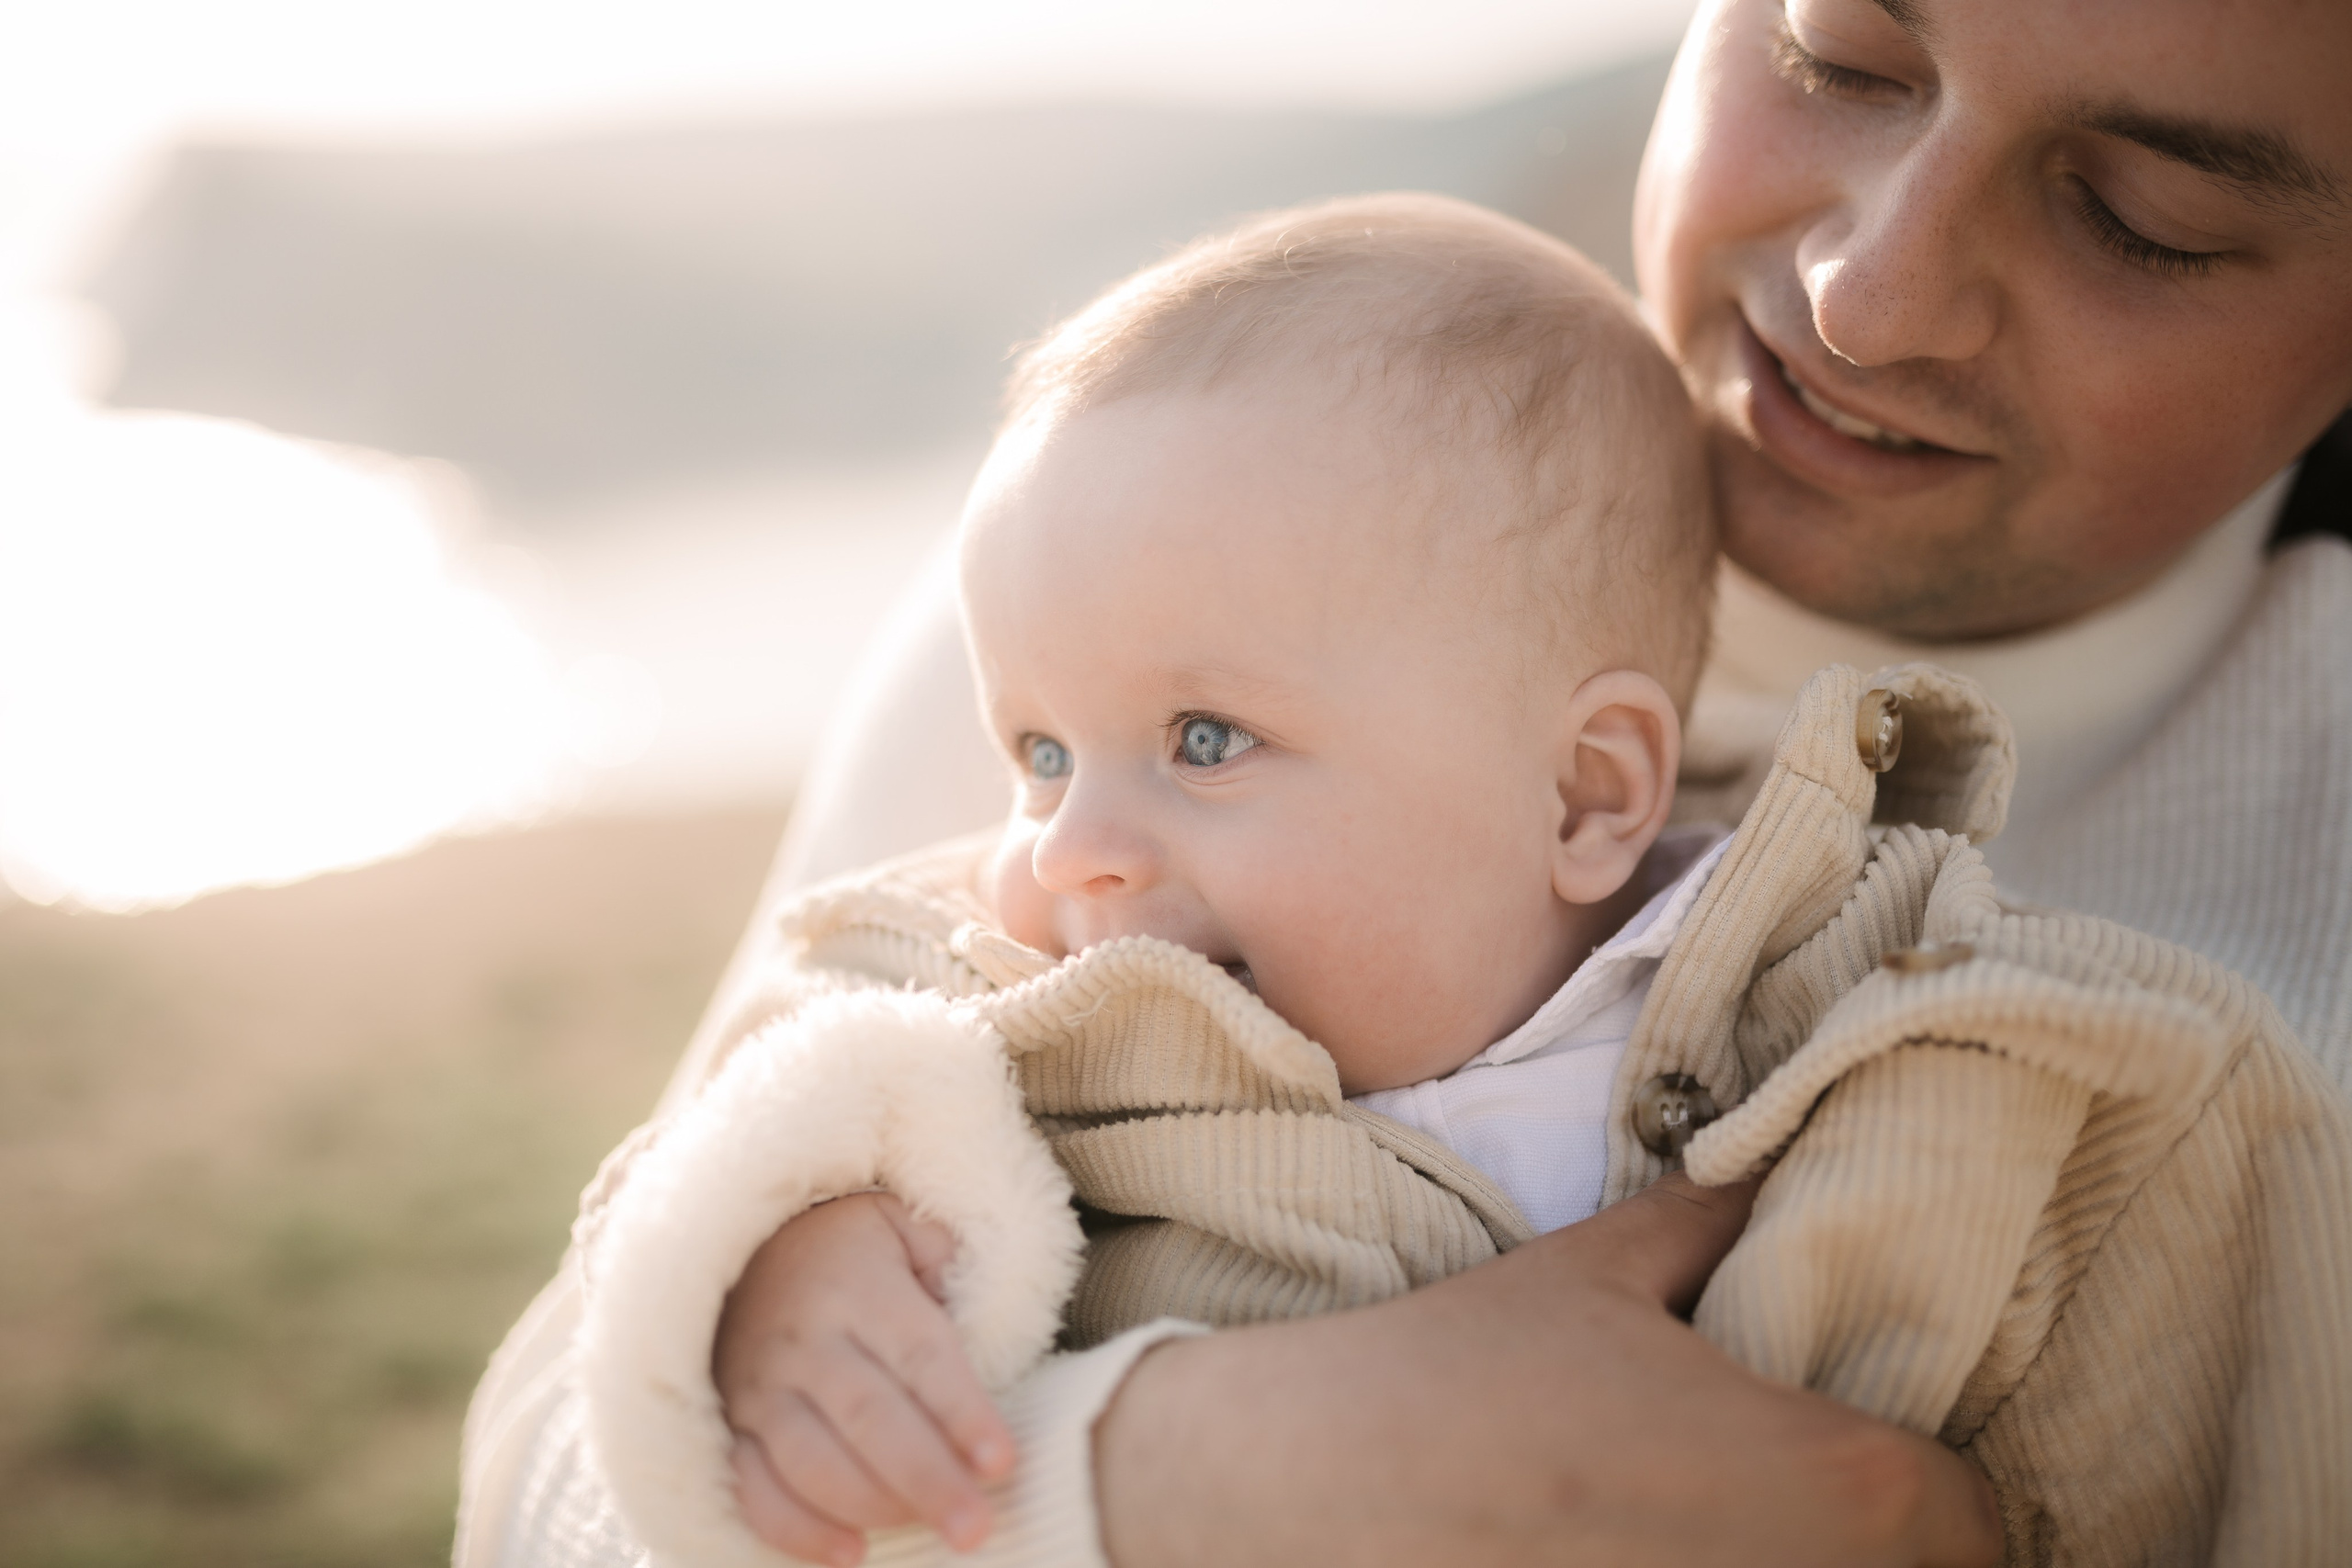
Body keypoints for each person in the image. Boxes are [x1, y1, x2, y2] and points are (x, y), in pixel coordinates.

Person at [457, 0, 2352, 1562]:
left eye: (2144, 217)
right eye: (1834, 57)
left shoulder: (2150, 1039)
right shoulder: (1129, 589)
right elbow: (555, 1489)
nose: (1868, 294)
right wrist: (1151, 1474)